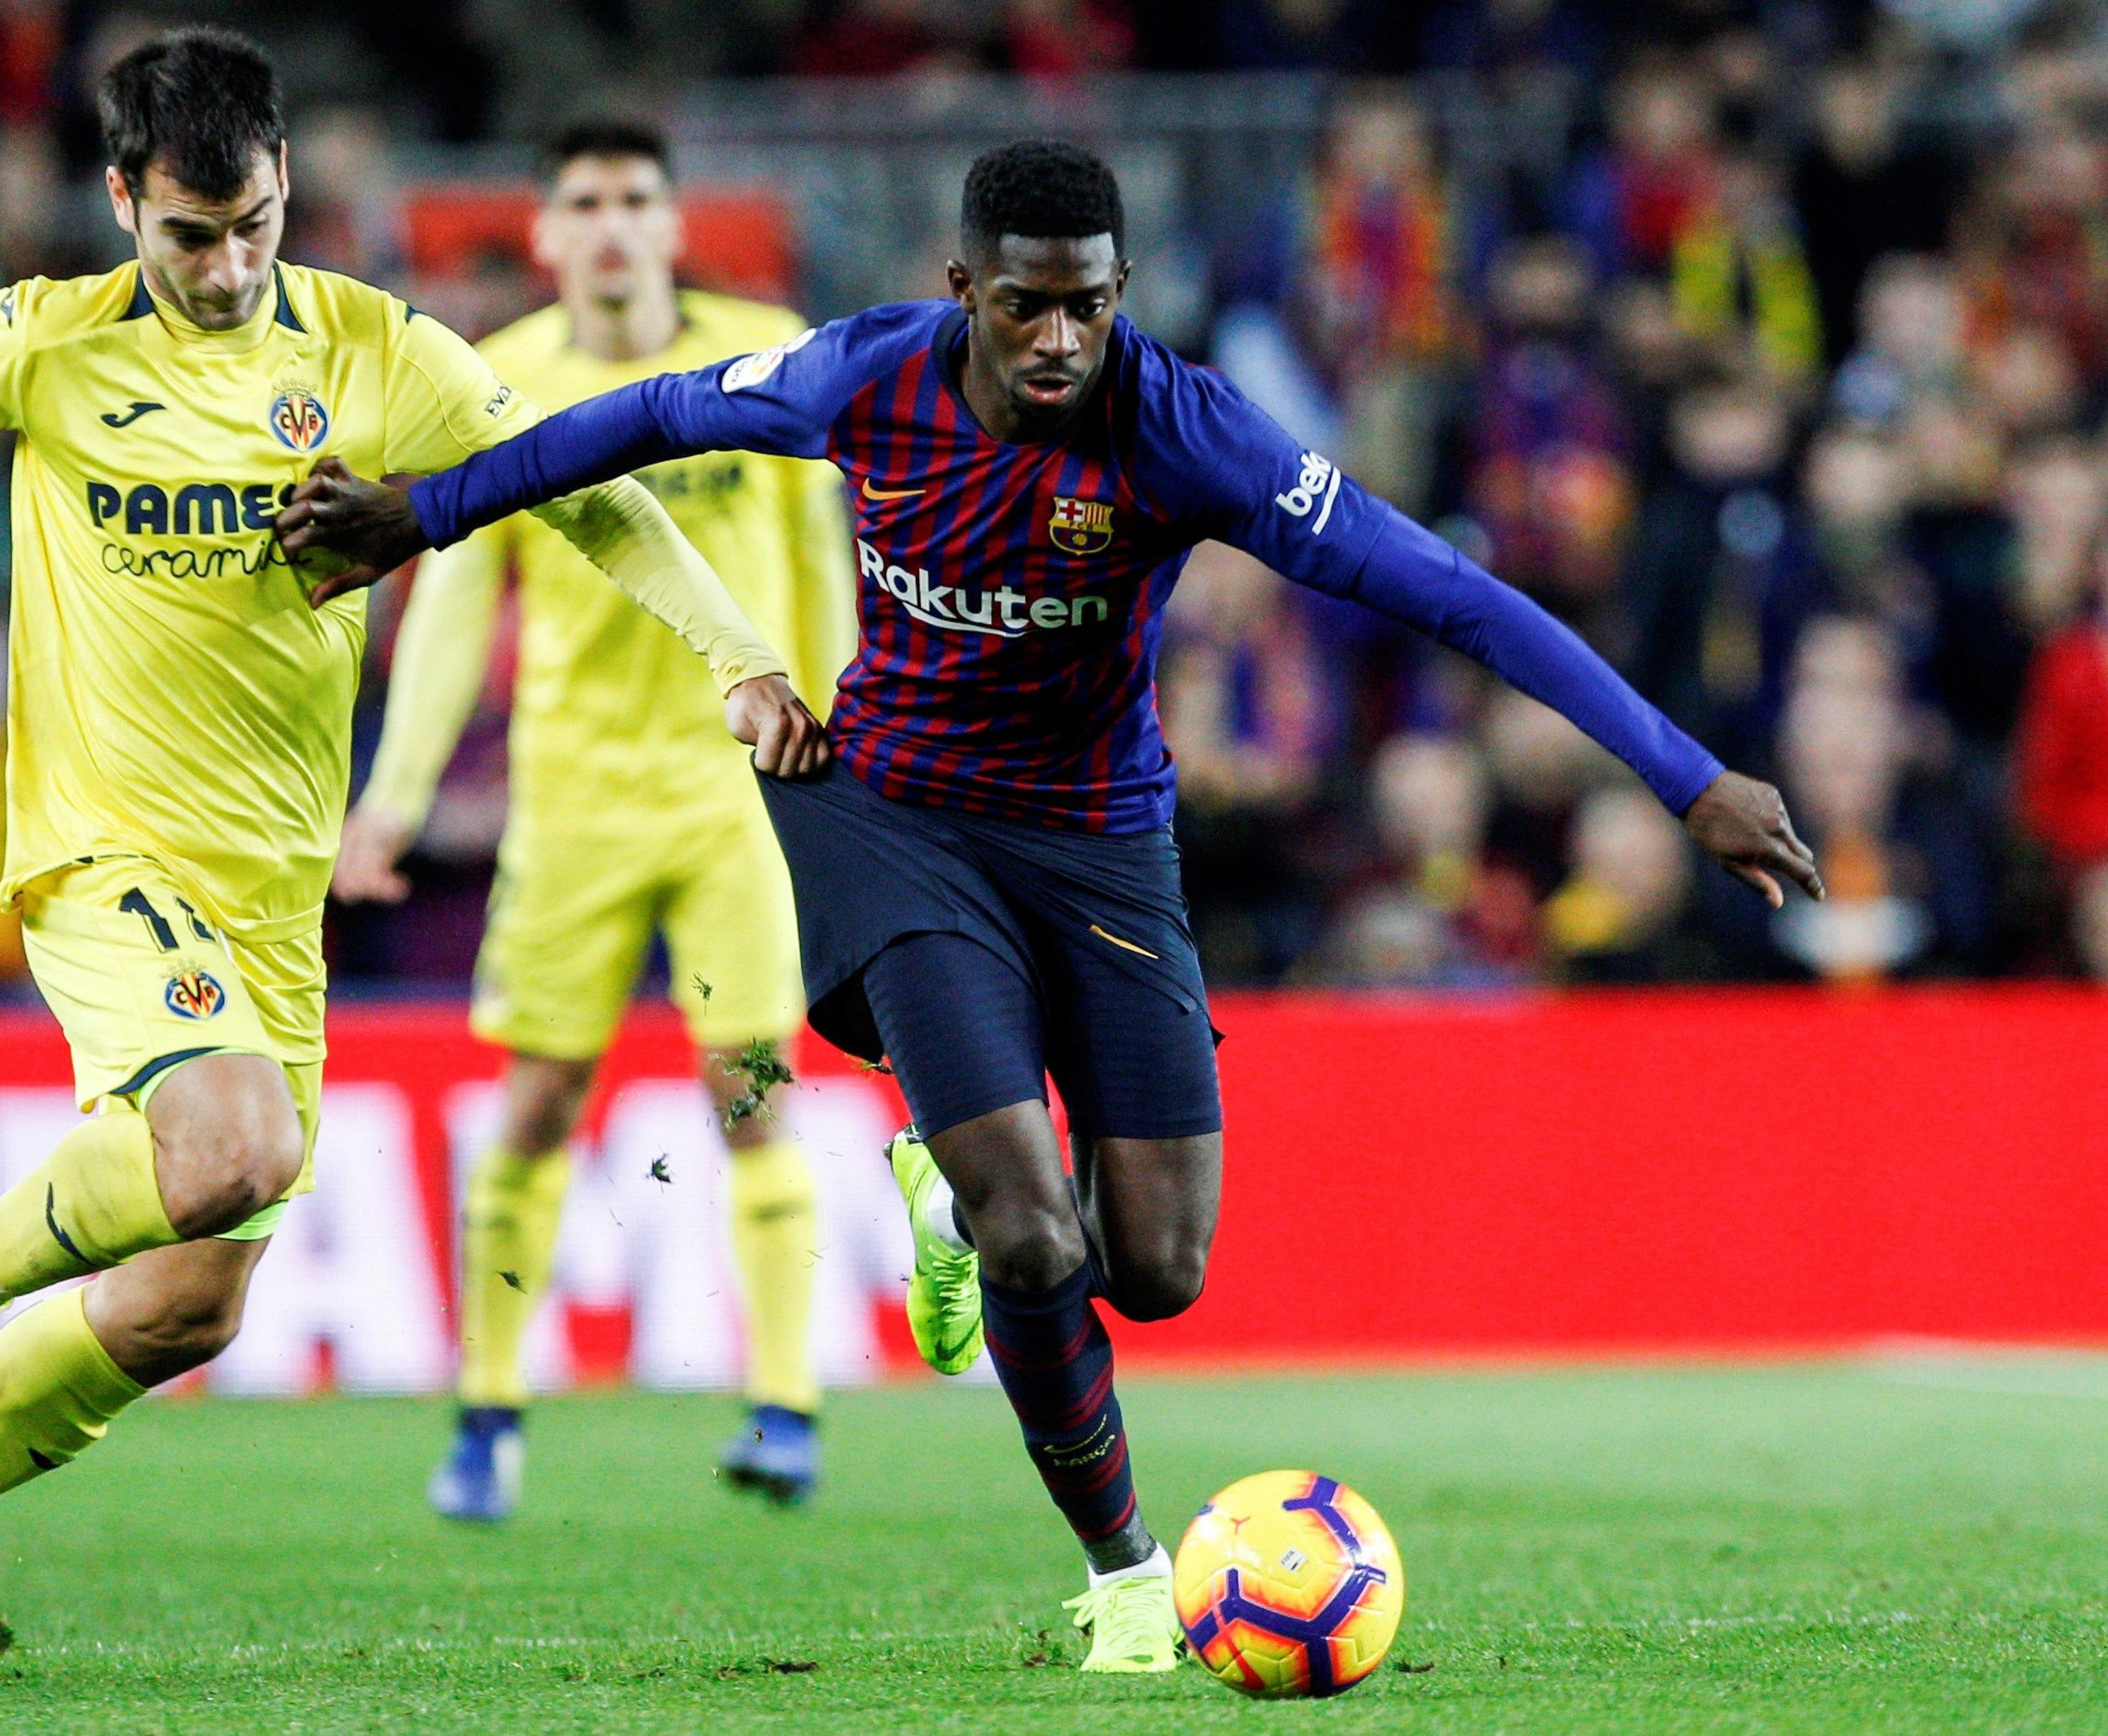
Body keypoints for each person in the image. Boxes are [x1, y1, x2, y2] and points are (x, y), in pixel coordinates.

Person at [276, 139, 1825, 1675]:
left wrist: (1684, 776)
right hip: (891, 812)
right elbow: (643, 418)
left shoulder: (1187, 430)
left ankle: (947, 1190)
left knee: (1154, 1267)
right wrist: (423, 517)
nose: (1058, 339)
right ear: (963, 292)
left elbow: (1441, 586)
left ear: (1120, 291)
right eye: (1024, 306)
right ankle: (1128, 1571)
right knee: (1031, 1229)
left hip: (1099, 844)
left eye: (1085, 304)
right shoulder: (861, 377)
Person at [0, 28, 821, 1688]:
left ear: (286, 186)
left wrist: (731, 648)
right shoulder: (46, 339)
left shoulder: (376, 350)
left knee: (186, 1304)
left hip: (270, 882)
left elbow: (582, 484)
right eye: (186, 236)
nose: (224, 271)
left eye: (254, 228)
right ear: (120, 200)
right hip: (102, 846)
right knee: (228, 1141)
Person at [338, 119, 856, 1517]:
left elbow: (820, 554)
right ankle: (488, 1411)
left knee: (751, 1087)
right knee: (539, 1100)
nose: (615, 222)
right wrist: (390, 799)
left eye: (637, 198)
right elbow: (454, 604)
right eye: (585, 202)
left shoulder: (769, 348)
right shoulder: (501, 379)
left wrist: (848, 742)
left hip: (733, 793)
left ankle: (785, 1402)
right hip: (568, 799)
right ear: (549, 234)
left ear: (675, 223)